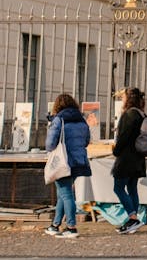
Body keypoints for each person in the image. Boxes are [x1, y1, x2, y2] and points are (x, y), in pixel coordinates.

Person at [44, 94, 92, 239]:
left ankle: (71, 227)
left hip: (63, 162)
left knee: (66, 194)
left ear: (57, 106)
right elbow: (87, 140)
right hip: (78, 162)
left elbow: (50, 144)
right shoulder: (82, 120)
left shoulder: (59, 120)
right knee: (63, 194)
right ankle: (55, 225)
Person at [112, 87, 147, 234]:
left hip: (126, 158)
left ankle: (133, 218)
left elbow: (123, 137)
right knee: (132, 188)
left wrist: (115, 150)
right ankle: (133, 220)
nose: (122, 99)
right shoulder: (141, 114)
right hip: (138, 157)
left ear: (129, 98)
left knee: (118, 188)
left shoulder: (129, 115)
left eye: (123, 97)